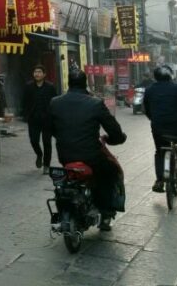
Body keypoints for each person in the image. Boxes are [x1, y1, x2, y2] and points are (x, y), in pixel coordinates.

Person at [50, 70, 126, 231]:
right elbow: (114, 130)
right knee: (111, 172)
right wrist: (117, 138)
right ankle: (106, 214)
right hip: (91, 156)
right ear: (85, 83)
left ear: (68, 83)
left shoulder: (55, 102)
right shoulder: (95, 103)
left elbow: (49, 128)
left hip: (65, 155)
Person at [143, 64, 177, 193]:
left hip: (158, 129)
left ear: (156, 77)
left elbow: (146, 109)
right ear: (170, 76)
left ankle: (159, 180)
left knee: (159, 151)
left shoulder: (149, 90)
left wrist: (154, 120)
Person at [22, 64, 58, 174]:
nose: (37, 74)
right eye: (35, 72)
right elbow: (24, 101)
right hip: (33, 119)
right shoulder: (29, 86)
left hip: (47, 120)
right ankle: (39, 154)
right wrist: (25, 114)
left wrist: (55, 117)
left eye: (39, 72)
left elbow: (55, 102)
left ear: (44, 74)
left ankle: (46, 165)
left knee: (47, 143)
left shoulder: (50, 87)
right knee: (33, 140)